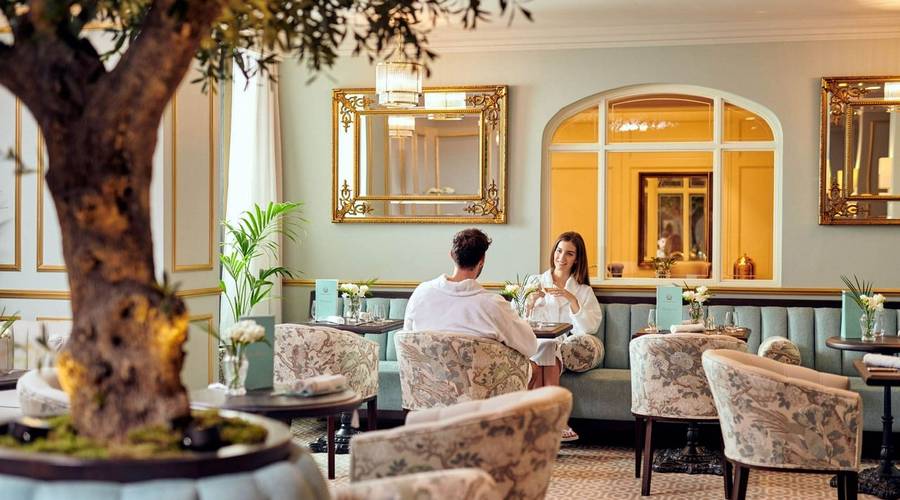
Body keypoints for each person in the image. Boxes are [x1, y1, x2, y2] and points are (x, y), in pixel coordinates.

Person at [403, 228, 537, 359]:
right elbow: (531, 347)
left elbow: (406, 340)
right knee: (533, 367)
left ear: (451, 254)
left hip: (426, 379)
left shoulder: (421, 293)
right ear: (481, 261)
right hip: (479, 381)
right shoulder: (493, 305)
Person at [527, 231, 602, 442]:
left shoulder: (584, 291)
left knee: (550, 347)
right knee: (545, 347)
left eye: (569, 254)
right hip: (535, 343)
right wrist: (530, 302)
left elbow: (590, 327)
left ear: (577, 259)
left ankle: (541, 427)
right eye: (559, 251)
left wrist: (572, 300)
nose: (561, 258)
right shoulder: (535, 282)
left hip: (563, 346)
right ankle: (556, 422)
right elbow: (519, 321)